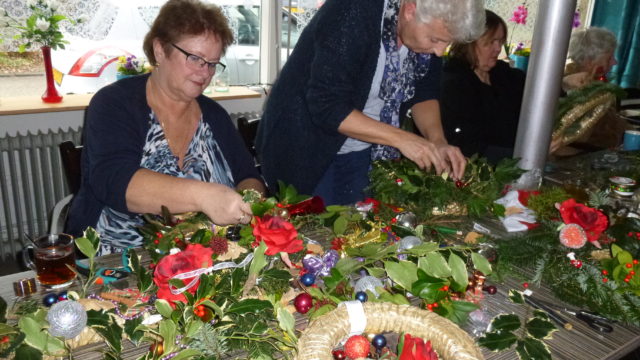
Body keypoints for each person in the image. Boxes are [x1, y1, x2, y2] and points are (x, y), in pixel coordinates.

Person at [67, 0, 265, 254]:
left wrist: (249, 202)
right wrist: (204, 197)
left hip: (201, 258)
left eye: (213, 63)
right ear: (160, 50)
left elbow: (249, 176)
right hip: (118, 257)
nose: (205, 72)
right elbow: (114, 181)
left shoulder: (214, 115)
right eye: (195, 58)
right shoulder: (114, 103)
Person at [255, 0, 485, 205]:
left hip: (364, 146)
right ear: (410, 9)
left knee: (357, 232)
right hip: (305, 145)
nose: (438, 52)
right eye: (435, 39)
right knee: (317, 236)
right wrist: (402, 138)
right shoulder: (353, 10)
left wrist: (437, 140)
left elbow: (423, 91)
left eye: (447, 44)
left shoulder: (425, 31)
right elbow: (328, 106)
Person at [440, 10, 526, 164]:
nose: (498, 48)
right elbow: (465, 145)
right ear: (469, 43)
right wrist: (519, 155)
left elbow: (535, 91)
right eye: (490, 42)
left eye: (500, 41)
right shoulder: (453, 84)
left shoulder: (503, 74)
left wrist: (566, 82)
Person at [550, 27, 628, 156]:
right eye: (609, 58)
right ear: (589, 61)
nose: (615, 62)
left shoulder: (597, 82)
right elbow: (575, 137)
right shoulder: (574, 86)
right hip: (580, 156)